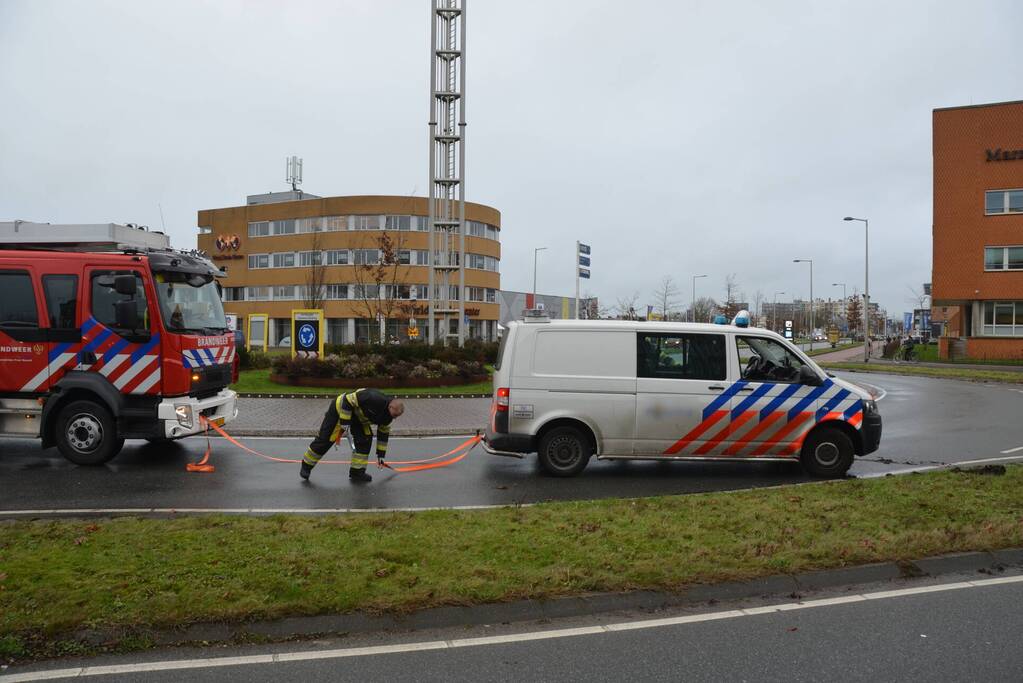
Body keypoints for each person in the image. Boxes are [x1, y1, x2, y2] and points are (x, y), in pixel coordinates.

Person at [300, 388, 405, 483]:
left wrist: (381, 455)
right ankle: (306, 465)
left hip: (358, 419)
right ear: (390, 406)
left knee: (365, 440)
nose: (394, 418)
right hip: (340, 410)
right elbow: (347, 400)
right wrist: (345, 422)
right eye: (394, 415)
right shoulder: (372, 397)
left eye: (397, 416)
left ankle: (357, 472)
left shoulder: (388, 418)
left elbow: (383, 436)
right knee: (326, 440)